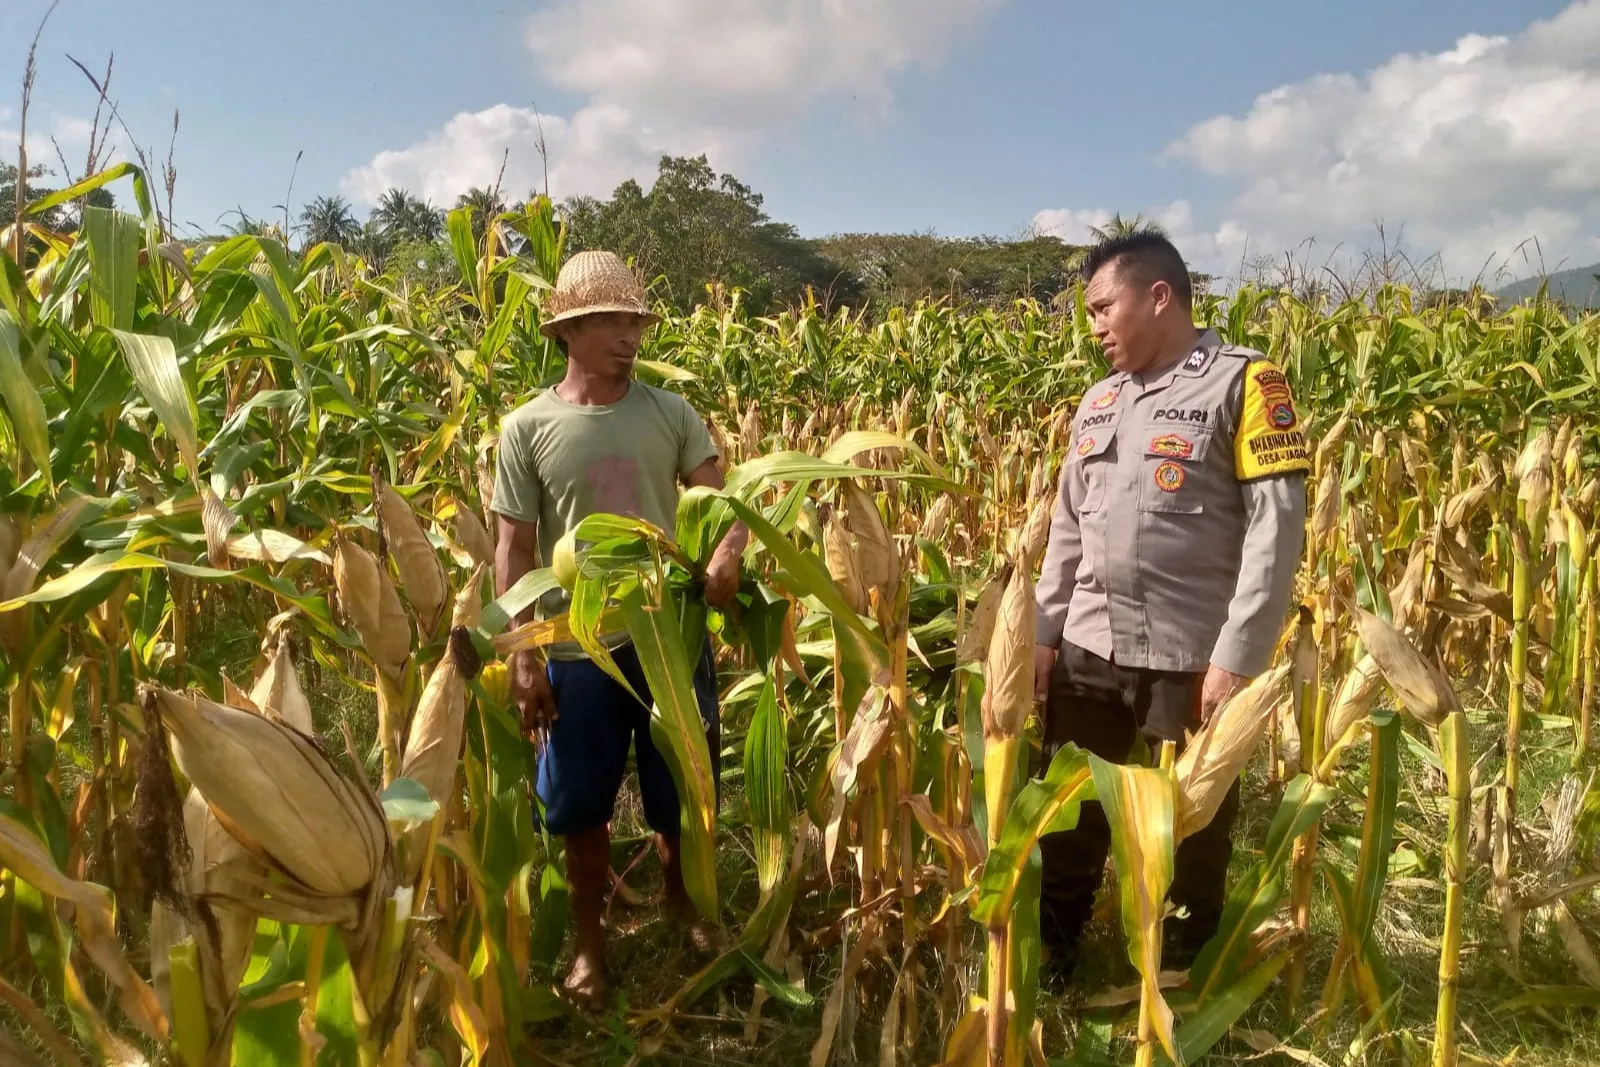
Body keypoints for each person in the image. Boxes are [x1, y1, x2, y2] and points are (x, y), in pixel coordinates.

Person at [1032, 233, 1308, 979]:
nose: (1094, 326)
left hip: (1189, 656)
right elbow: (1066, 527)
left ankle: (1185, 965)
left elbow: (1276, 531)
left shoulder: (1244, 384)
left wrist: (1237, 656)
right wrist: (1042, 634)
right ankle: (1054, 950)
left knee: (1195, 821)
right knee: (1068, 808)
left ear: (1158, 296)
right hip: (1089, 646)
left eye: (1103, 307)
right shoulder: (1099, 401)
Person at [491, 250, 747, 1010]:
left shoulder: (670, 413)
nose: (628, 336)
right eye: (609, 321)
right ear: (567, 331)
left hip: (669, 637)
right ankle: (588, 943)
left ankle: (683, 903)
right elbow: (514, 550)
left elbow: (723, 505)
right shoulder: (527, 428)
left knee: (682, 786)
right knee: (580, 802)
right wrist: (523, 654)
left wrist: (727, 554)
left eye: (634, 321)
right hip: (576, 646)